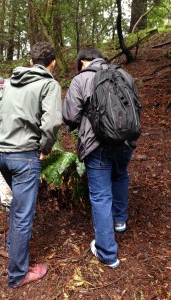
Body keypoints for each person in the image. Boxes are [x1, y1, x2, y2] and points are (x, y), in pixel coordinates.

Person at [0, 42, 62, 287]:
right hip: (24, 156)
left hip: (2, 154)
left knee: (19, 205)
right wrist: (45, 148)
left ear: (31, 62)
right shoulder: (49, 84)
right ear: (53, 63)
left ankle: (13, 247)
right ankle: (18, 274)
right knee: (22, 214)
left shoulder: (10, 82)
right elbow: (52, 123)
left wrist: (4, 137)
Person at [62, 47, 138, 269]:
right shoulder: (124, 75)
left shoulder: (82, 78)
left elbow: (70, 116)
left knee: (100, 195)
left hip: (98, 145)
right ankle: (119, 220)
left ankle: (107, 253)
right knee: (121, 176)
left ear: (84, 62)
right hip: (126, 142)